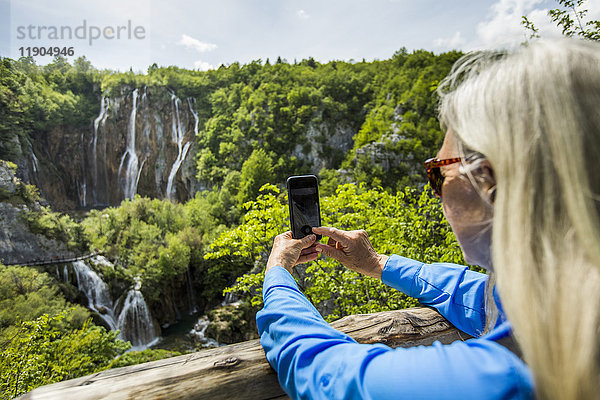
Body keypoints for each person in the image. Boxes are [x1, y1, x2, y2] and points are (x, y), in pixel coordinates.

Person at [256, 39, 600, 400]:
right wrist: (376, 263)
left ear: (490, 180)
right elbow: (479, 298)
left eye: (438, 173)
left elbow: (326, 371)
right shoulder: (568, 311)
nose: (435, 191)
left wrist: (278, 273)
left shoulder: (500, 380)